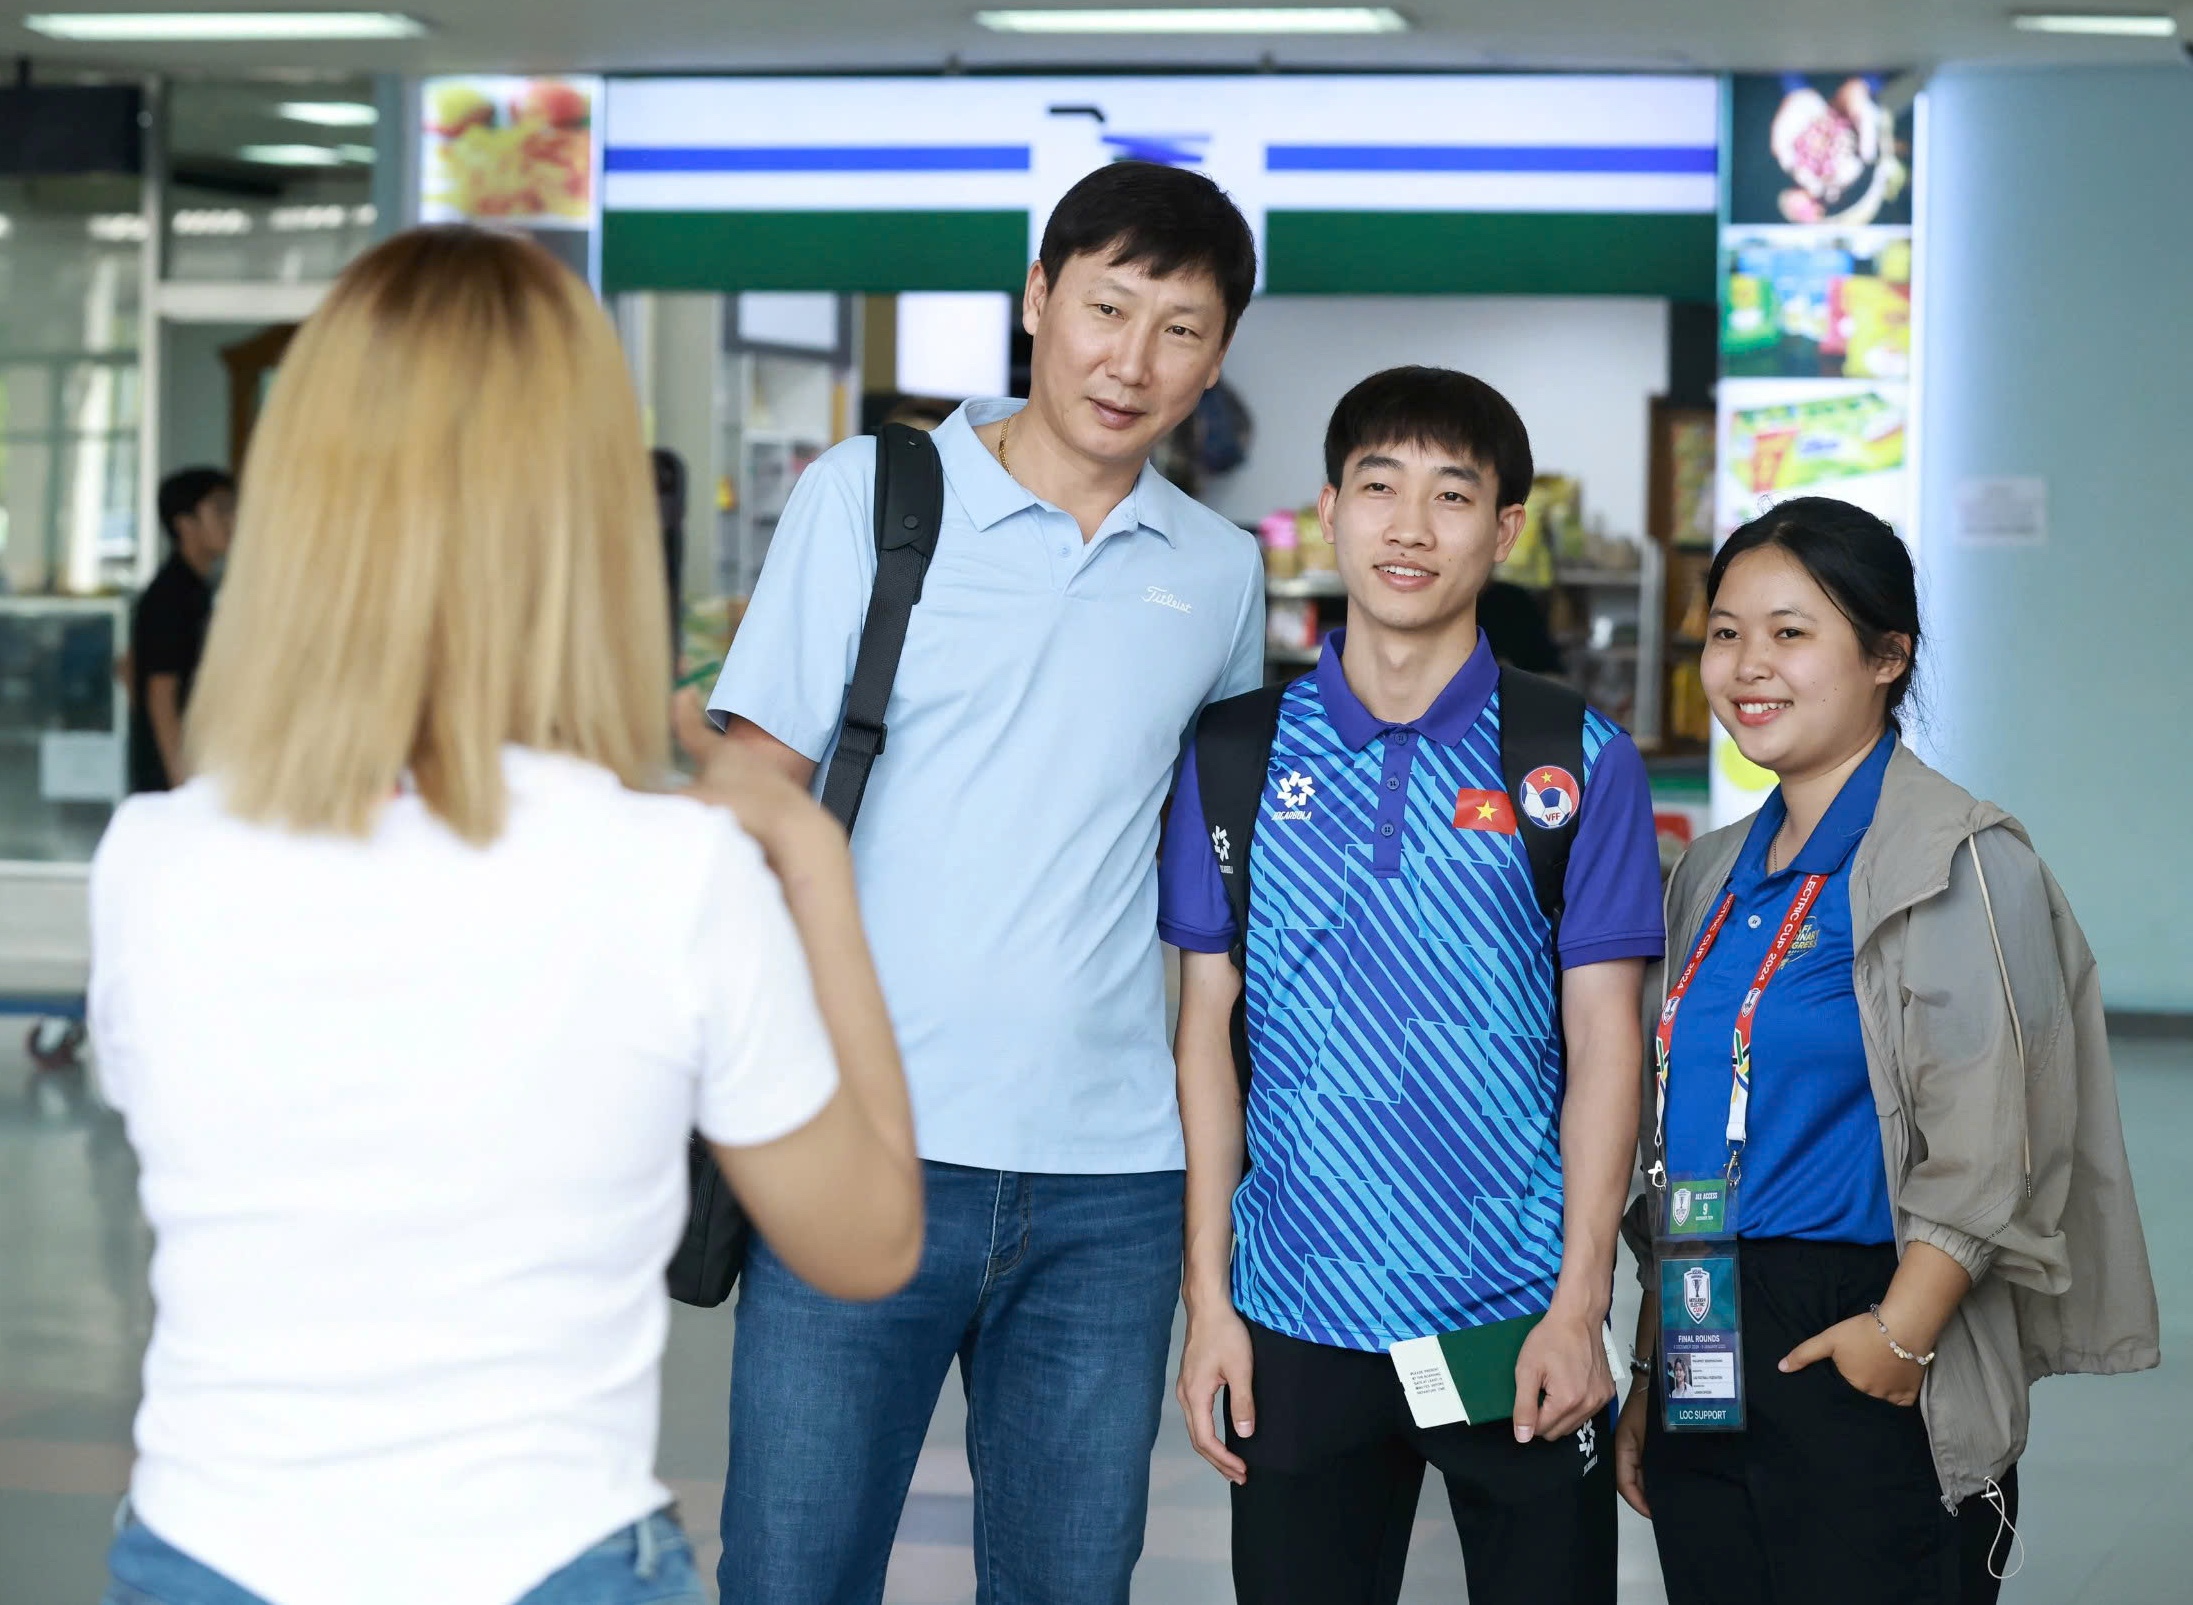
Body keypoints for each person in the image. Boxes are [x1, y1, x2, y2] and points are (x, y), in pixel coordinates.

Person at [87, 226, 923, 1605]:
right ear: (585, 512)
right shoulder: (673, 871)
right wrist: (811, 862)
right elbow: (870, 1241)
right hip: (557, 1563)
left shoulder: (151, 861)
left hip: (207, 1554)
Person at [705, 159, 1265, 1603]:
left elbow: (1201, 868)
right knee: (792, 1574)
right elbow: (750, 788)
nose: (1131, 362)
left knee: (1071, 1583)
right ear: (1037, 300)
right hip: (861, 1147)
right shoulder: (874, 498)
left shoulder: (1214, 573)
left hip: (1113, 1188)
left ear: (1217, 356)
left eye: (1181, 329)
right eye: (1106, 307)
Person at [1161, 367, 1666, 1605]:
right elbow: (1204, 1039)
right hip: (1296, 1313)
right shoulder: (1235, 755)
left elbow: (1610, 1044)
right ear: (1329, 510)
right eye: (1379, 488)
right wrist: (1210, 1305)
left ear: (1503, 531)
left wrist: (1581, 1303)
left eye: (1452, 496)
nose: (1408, 526)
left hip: (1510, 1316)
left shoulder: (1572, 757)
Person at [1610, 496, 2160, 1605]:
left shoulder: (1957, 856)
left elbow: (2002, 1128)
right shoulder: (1710, 874)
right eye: (1725, 632)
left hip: (1870, 1320)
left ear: (1887, 657)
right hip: (1707, 1321)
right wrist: (1651, 1363)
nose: (1747, 665)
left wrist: (1899, 1340)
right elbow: (1679, 1131)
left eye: (1791, 631)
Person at [128, 467, 235, 792]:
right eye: (220, 508)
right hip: (172, 771)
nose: (232, 519)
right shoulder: (171, 595)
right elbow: (161, 692)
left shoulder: (198, 589)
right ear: (184, 523)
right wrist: (181, 783)